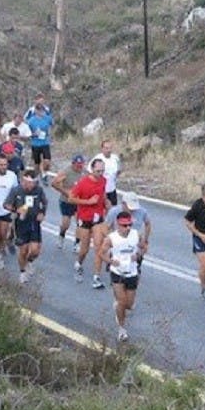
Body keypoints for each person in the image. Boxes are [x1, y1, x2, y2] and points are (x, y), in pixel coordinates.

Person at [99, 209, 147, 342]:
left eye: (129, 225)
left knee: (129, 305)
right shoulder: (111, 238)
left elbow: (143, 248)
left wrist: (137, 255)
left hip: (132, 272)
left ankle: (120, 308)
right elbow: (101, 253)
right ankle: (121, 329)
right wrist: (110, 261)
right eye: (125, 225)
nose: (128, 228)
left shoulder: (136, 235)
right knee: (122, 301)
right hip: (117, 272)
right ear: (118, 225)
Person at [68, 157, 107, 285]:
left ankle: (96, 276)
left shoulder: (103, 181)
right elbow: (71, 198)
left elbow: (103, 196)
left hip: (98, 219)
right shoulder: (83, 183)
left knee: (98, 246)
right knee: (84, 249)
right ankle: (79, 262)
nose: (100, 174)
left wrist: (110, 209)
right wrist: (87, 202)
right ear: (91, 169)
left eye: (102, 171)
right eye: (98, 171)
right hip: (84, 218)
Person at [4, 168, 47, 283]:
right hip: (21, 222)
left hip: (34, 222)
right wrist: (17, 209)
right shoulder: (16, 190)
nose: (32, 186)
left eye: (34, 183)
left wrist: (42, 213)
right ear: (24, 181)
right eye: (30, 183)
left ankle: (29, 262)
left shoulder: (38, 190)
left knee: (35, 250)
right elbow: (6, 205)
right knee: (23, 250)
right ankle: (22, 272)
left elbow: (44, 203)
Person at [51, 154, 85, 250]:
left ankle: (77, 243)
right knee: (66, 223)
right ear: (73, 164)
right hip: (66, 201)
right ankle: (61, 236)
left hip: (78, 202)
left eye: (81, 165)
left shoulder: (84, 173)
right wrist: (66, 192)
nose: (79, 167)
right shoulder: (66, 172)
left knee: (80, 222)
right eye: (77, 165)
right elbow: (54, 183)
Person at [26, 103, 54, 180]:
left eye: (43, 110)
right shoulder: (31, 121)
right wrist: (34, 134)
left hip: (45, 142)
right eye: (40, 111)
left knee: (47, 161)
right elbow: (27, 133)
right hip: (35, 143)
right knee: (36, 164)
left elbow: (52, 125)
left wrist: (49, 133)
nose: (42, 112)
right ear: (36, 111)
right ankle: (36, 179)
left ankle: (43, 173)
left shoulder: (47, 118)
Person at [91, 139, 122, 207]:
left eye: (110, 148)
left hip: (112, 190)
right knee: (101, 212)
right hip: (100, 190)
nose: (109, 150)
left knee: (113, 211)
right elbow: (90, 173)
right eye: (106, 148)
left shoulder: (115, 158)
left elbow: (119, 170)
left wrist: (114, 178)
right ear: (102, 149)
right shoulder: (97, 158)